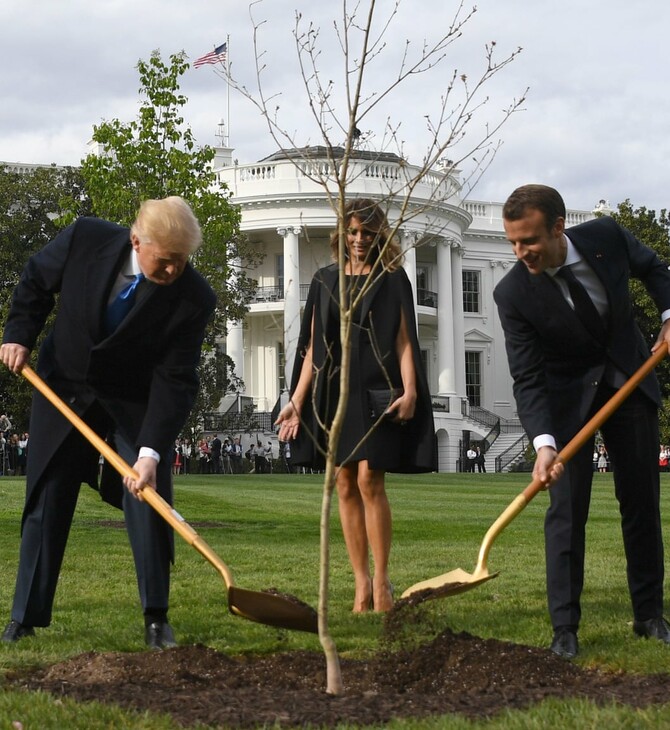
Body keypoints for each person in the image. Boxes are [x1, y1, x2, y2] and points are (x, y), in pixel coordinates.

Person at [0, 196, 216, 648]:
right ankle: (26, 617)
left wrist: (151, 452)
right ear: (138, 241)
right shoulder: (85, 238)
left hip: (132, 402)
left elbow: (175, 379)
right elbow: (37, 280)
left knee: (148, 497)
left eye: (183, 261)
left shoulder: (194, 298)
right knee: (48, 495)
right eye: (167, 260)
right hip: (64, 385)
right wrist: (19, 335)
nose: (175, 271)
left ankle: (156, 618)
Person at [494, 183, 670, 660]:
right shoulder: (512, 293)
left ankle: (649, 614)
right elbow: (527, 376)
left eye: (528, 240)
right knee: (566, 512)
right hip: (567, 402)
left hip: (628, 381)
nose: (520, 252)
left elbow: (654, 269)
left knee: (640, 501)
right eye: (512, 242)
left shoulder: (607, 236)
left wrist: (669, 313)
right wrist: (544, 443)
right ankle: (565, 628)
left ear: (558, 227)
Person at [275, 198, 436, 613]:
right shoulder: (324, 280)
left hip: (379, 389)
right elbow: (311, 349)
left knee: (370, 481)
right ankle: (360, 585)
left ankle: (382, 583)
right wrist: (295, 401)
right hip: (334, 393)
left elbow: (404, 340)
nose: (359, 239)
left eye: (366, 232)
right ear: (342, 235)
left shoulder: (393, 278)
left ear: (379, 233)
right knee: (344, 483)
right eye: (352, 232)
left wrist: (411, 390)